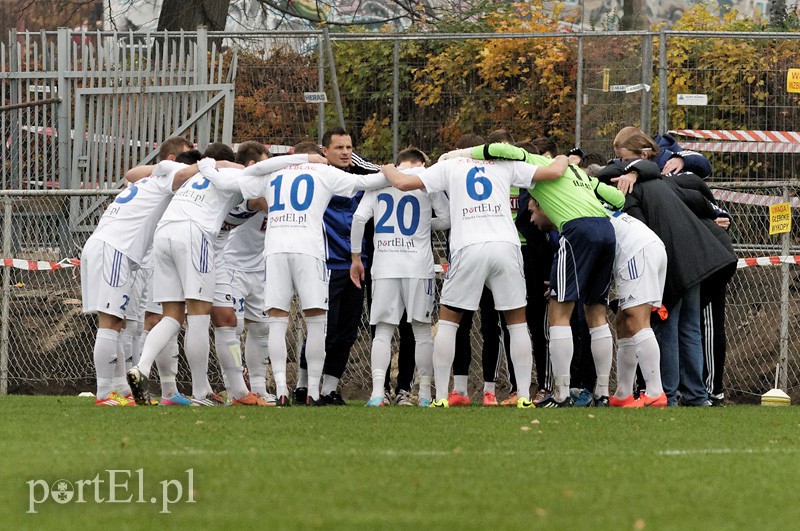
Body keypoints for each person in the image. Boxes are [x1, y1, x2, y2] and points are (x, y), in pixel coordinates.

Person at [381, 148, 570, 408]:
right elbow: (555, 171)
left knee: (449, 323)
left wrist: (387, 168)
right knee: (516, 323)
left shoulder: (450, 165)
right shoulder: (505, 165)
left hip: (468, 246)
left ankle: (442, 397)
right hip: (506, 246)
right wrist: (564, 157)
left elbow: (402, 182)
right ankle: (524, 395)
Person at [127, 147, 312, 406]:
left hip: (174, 236)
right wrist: (307, 161)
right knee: (199, 316)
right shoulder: (239, 177)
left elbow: (135, 173)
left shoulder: (201, 171)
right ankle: (200, 393)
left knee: (202, 318)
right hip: (197, 236)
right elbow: (262, 197)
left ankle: (143, 369)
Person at [463, 142, 625, 407]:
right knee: (596, 313)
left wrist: (462, 154)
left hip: (577, 230)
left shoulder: (535, 163)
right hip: (606, 229)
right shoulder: (580, 174)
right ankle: (602, 392)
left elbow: (505, 150)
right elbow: (618, 199)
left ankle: (561, 394)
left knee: (559, 312)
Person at [238, 141, 388, 406]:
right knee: (317, 321)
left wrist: (284, 162)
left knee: (277, 320)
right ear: (317, 156)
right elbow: (367, 183)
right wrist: (394, 171)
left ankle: (283, 389)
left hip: (275, 250)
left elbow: (247, 175)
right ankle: (313, 391)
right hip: (309, 251)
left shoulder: (274, 173)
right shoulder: (324, 172)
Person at [595, 132, 736, 406]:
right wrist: (716, 213)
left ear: (641, 157)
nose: (619, 166)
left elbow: (640, 233)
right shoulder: (663, 180)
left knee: (666, 327)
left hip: (672, 261)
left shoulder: (630, 189)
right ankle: (696, 395)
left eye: (623, 160)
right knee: (690, 328)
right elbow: (696, 194)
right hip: (696, 258)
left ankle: (666, 393)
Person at [81, 136, 193, 406]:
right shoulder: (169, 174)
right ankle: (104, 394)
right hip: (115, 249)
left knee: (118, 323)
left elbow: (133, 172)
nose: (194, 162)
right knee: (110, 322)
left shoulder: (149, 179)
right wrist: (211, 164)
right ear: (172, 162)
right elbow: (186, 169)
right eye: (189, 155)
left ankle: (120, 388)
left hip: (108, 247)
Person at [350, 147, 450, 407]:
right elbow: (447, 218)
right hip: (418, 266)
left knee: (382, 331)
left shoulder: (382, 179)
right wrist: (425, 224)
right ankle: (425, 395)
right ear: (422, 162)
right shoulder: (428, 180)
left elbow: (359, 218)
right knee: (422, 332)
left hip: (384, 265)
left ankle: (376, 394)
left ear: (398, 163)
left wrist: (356, 256)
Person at [293, 127, 382, 406]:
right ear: (324, 152)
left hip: (357, 265)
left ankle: (330, 388)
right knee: (323, 329)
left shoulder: (360, 177)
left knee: (347, 330)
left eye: (349, 147)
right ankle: (303, 386)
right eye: (339, 148)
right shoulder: (315, 178)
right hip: (326, 265)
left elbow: (382, 174)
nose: (345, 152)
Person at [613, 126, 712, 178]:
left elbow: (705, 168)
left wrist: (682, 159)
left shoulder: (669, 161)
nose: (622, 162)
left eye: (625, 159)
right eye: (620, 158)